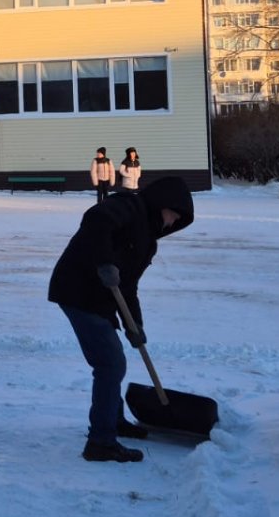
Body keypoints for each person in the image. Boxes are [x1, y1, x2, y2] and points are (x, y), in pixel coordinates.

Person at [48, 176, 195, 463]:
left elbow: (128, 287)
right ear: (162, 203)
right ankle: (101, 442)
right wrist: (104, 263)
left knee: (112, 362)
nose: (171, 224)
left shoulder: (148, 242)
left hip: (100, 297)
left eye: (177, 221)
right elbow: (96, 220)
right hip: (77, 289)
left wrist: (134, 326)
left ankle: (113, 421)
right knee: (110, 363)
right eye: (172, 215)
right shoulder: (129, 206)